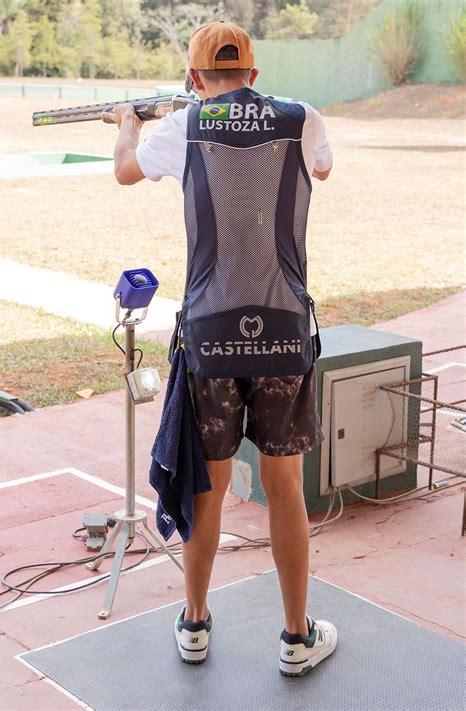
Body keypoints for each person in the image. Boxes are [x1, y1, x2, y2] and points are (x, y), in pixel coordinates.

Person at [104, 20, 337, 677]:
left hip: (210, 335)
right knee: (283, 483)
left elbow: (125, 170)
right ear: (255, 75)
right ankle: (296, 636)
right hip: (286, 332)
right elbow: (322, 165)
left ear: (196, 79)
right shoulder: (303, 117)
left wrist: (127, 121)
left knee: (208, 486)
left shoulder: (185, 125)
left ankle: (197, 624)